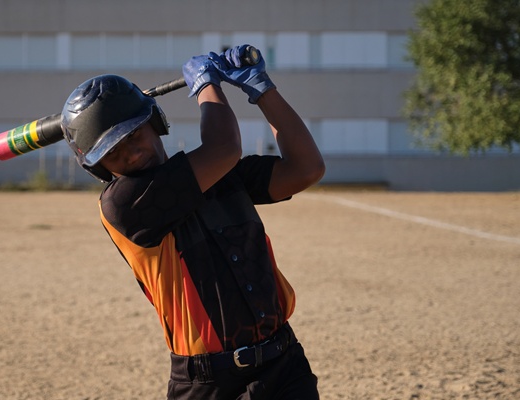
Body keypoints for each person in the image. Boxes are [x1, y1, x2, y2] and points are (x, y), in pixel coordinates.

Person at [60, 45, 325, 399]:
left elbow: (306, 168)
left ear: (154, 124)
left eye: (134, 135)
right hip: (209, 385)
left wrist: (262, 89)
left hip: (284, 365)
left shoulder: (219, 175)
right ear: (99, 167)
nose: (131, 153)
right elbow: (225, 148)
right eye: (113, 152)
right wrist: (205, 85)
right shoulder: (123, 205)